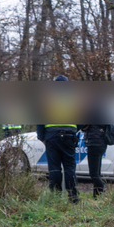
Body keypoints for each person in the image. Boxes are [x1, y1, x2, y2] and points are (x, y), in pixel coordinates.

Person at [35, 75, 79, 203]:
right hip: (69, 136)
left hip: (52, 137)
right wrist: (75, 130)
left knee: (54, 168)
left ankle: (56, 197)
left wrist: (42, 137)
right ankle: (73, 197)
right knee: (70, 168)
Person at [79, 123, 110, 197]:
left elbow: (84, 126)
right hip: (102, 142)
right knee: (97, 172)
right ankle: (96, 195)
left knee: (93, 174)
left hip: (94, 142)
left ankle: (101, 191)